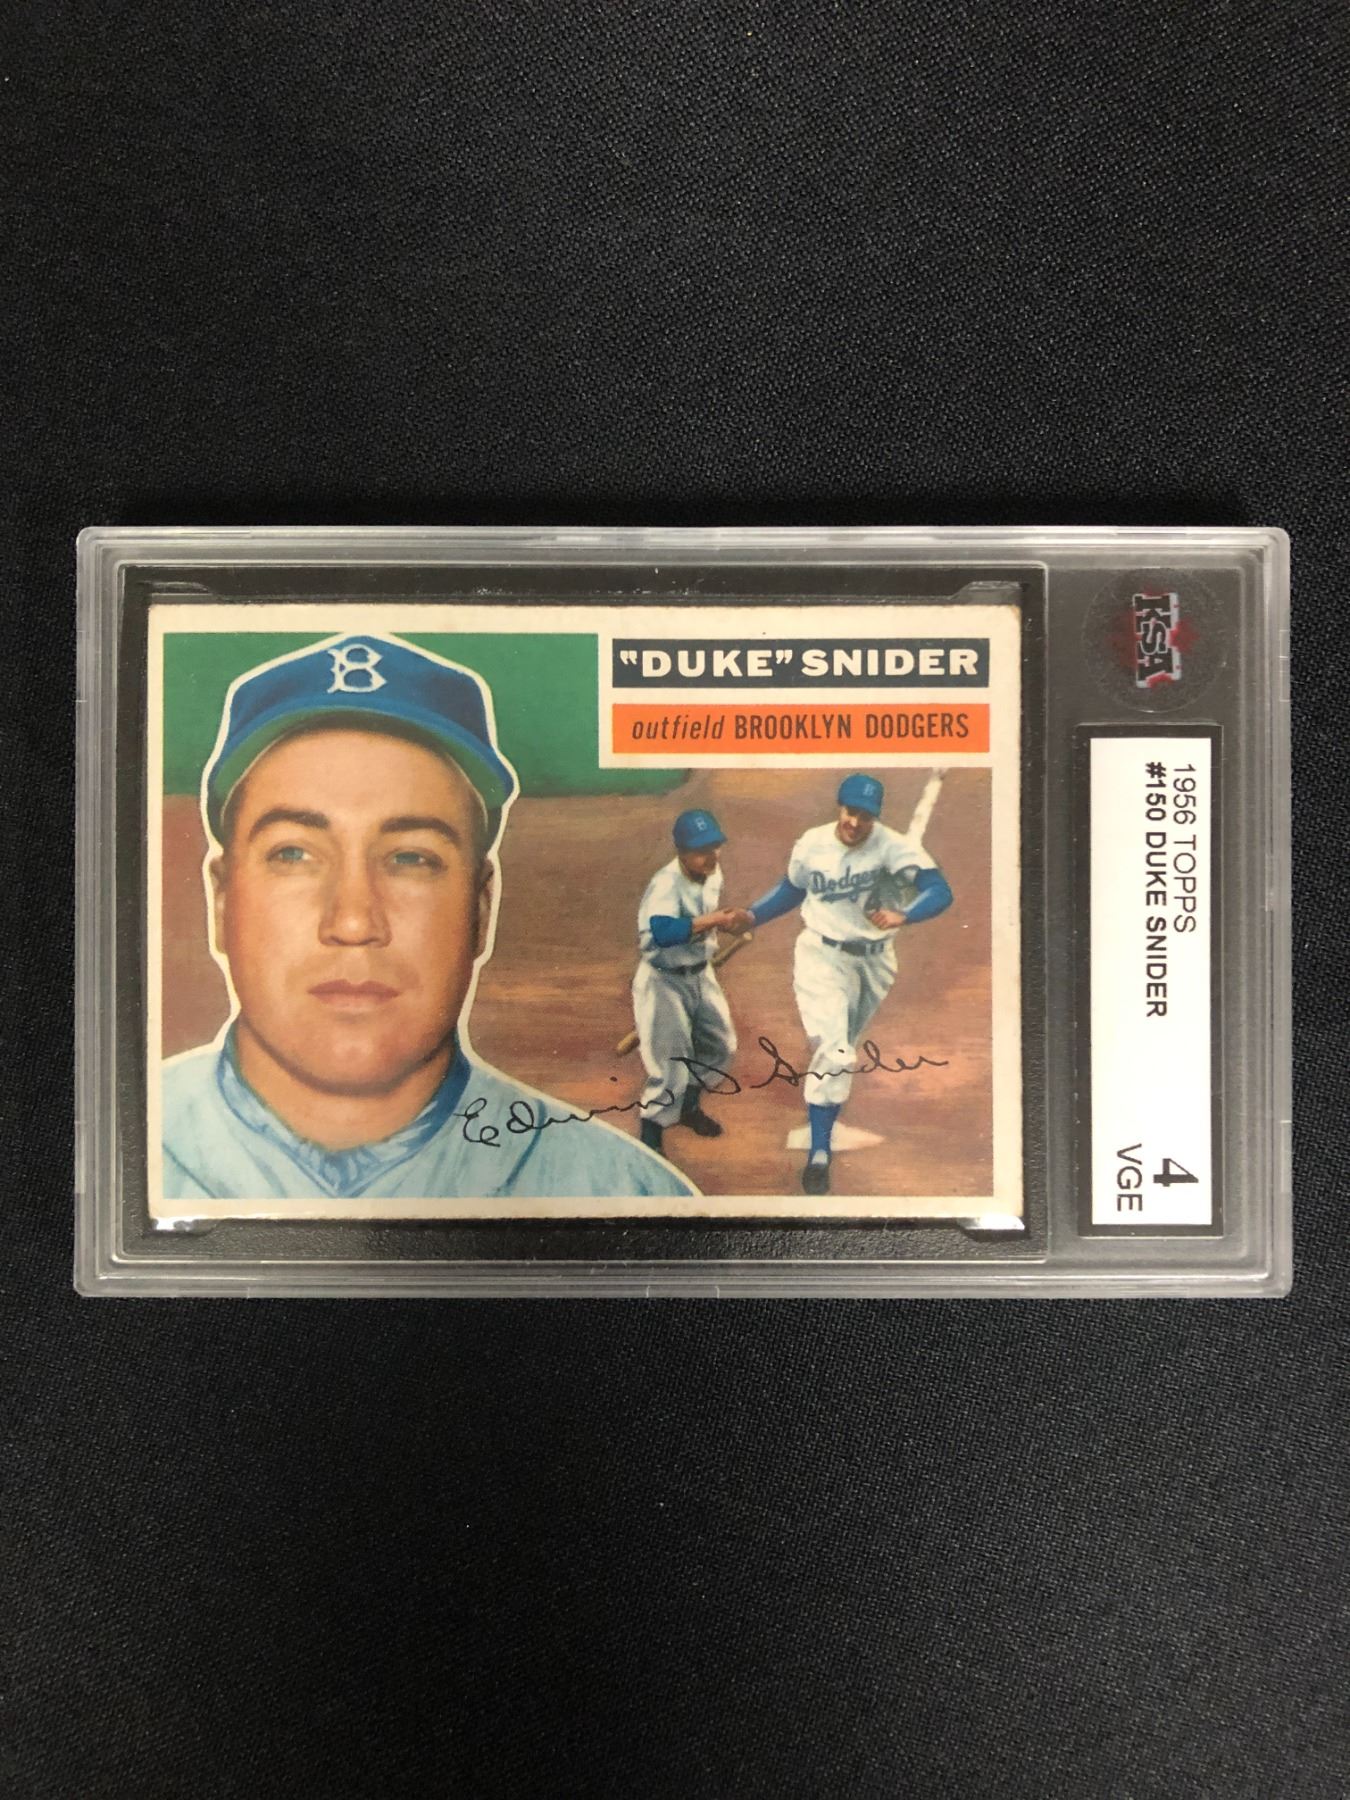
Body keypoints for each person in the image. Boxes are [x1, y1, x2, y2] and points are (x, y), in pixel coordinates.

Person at [161, 632, 695, 1203]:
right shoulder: (123, 1155)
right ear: (221, 900)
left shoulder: (626, 1196)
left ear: (480, 908)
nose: (353, 922)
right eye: (293, 854)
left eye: (411, 858)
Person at [741, 773, 953, 1195]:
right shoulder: (812, 844)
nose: (855, 822)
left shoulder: (895, 848)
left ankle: (823, 1118)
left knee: (844, 1048)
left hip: (875, 964)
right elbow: (792, 890)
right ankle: (819, 1153)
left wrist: (906, 914)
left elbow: (939, 890)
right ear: (840, 807)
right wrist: (753, 915)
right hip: (821, 956)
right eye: (850, 812)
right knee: (835, 1049)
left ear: (875, 817)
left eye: (865, 816)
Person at [632, 808, 741, 1159]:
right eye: (701, 850)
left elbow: (704, 923)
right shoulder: (666, 883)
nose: (711, 855)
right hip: (663, 982)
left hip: (700, 974)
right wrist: (714, 921)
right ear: (681, 851)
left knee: (721, 1047)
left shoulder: (712, 872)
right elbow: (664, 932)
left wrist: (728, 924)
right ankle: (652, 1137)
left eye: (714, 846)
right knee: (670, 1068)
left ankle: (688, 1107)